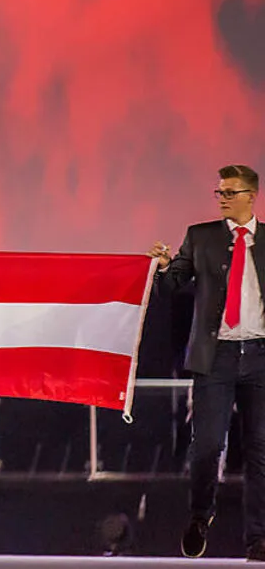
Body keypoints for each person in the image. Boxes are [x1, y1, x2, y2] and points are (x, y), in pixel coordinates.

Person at [151, 164, 265, 561]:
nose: (221, 198)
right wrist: (166, 266)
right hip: (215, 356)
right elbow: (175, 282)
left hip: (260, 356)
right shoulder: (200, 237)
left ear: (251, 196)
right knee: (207, 446)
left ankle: (258, 539)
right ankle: (201, 516)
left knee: (260, 450)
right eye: (218, 192)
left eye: (229, 192)